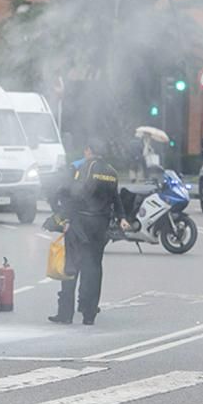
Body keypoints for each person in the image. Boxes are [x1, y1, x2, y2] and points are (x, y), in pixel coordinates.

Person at [47, 137, 129, 326]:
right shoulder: (111, 171)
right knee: (93, 269)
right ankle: (89, 314)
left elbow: (76, 196)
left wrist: (64, 219)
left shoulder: (85, 168)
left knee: (71, 268)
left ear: (88, 151)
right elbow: (116, 198)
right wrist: (121, 217)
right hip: (101, 226)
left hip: (81, 224)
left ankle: (65, 314)